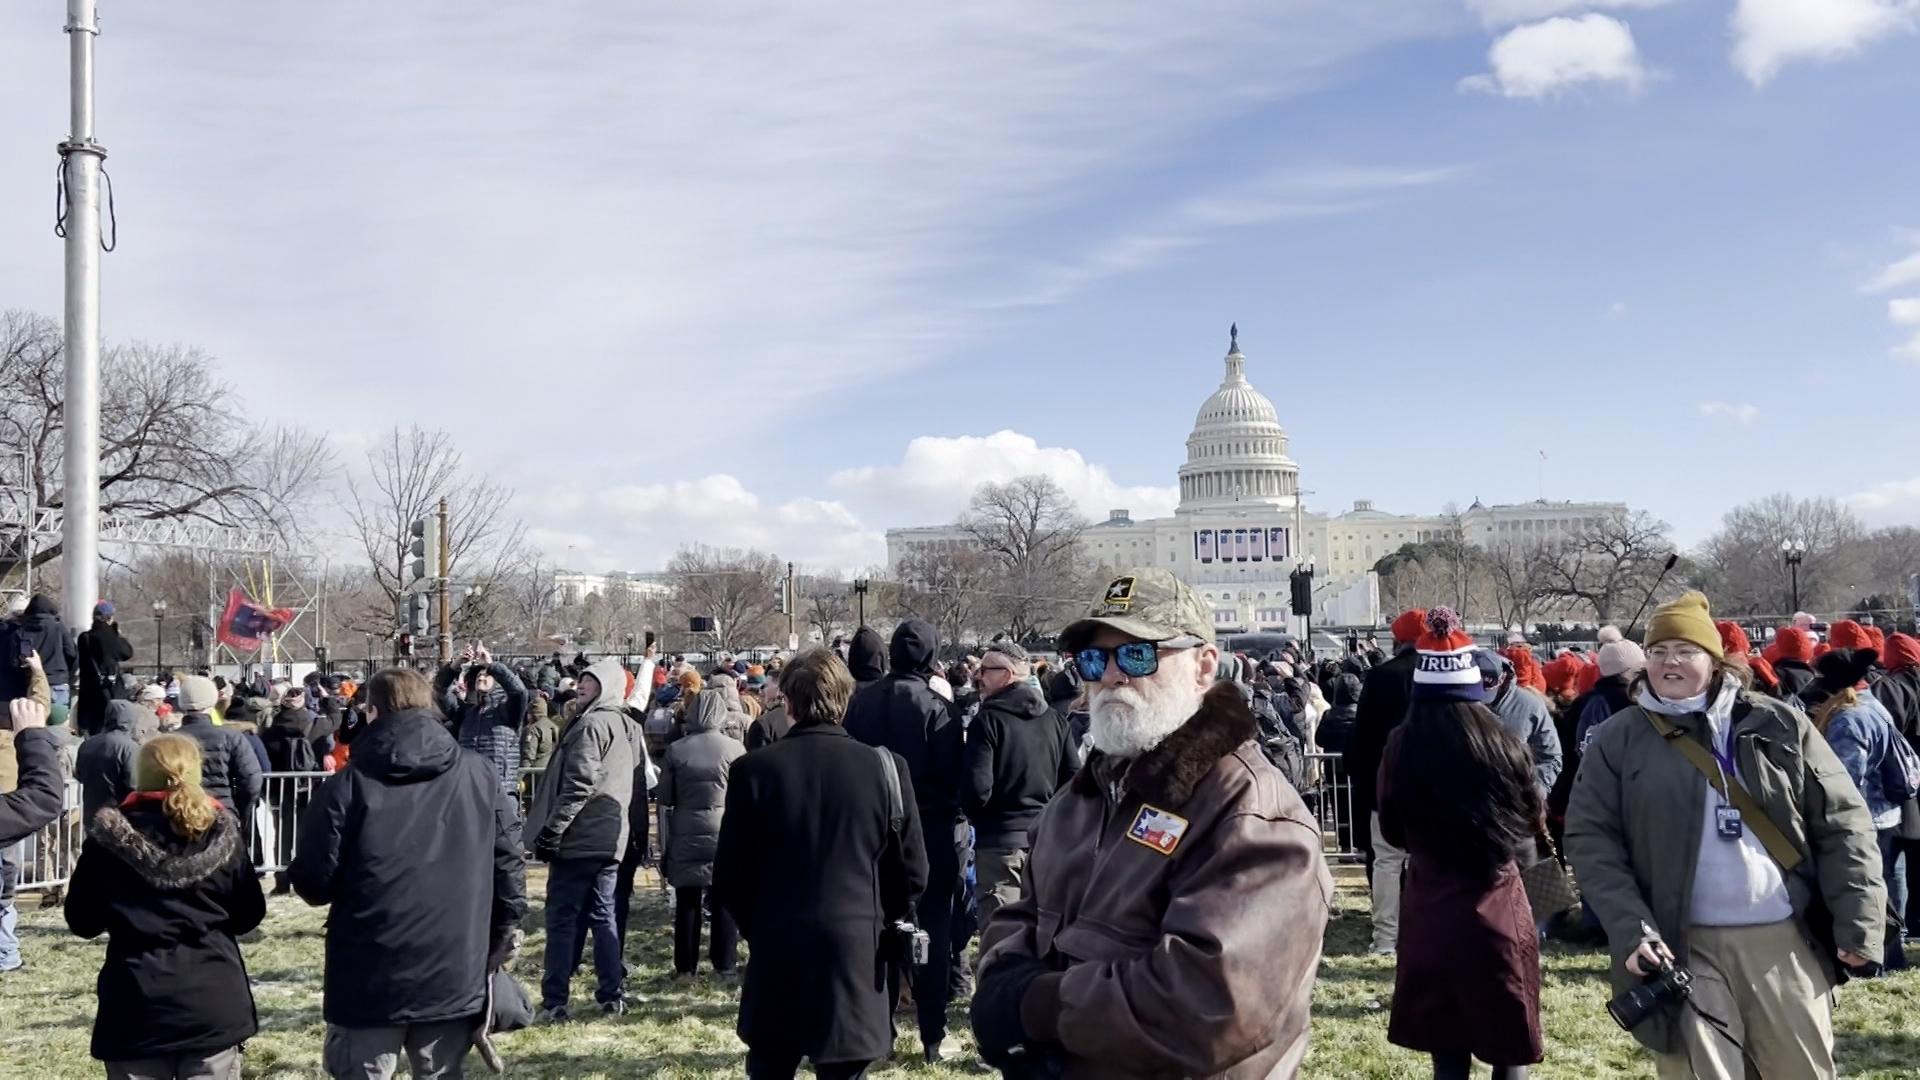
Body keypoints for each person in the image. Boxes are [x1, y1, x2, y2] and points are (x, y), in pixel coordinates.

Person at [972, 569, 1333, 1077]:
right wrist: (1002, 982)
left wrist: (1037, 1006)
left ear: (1204, 666)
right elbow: (1021, 920)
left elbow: (1210, 1004)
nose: (1113, 676)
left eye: (1139, 654)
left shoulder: (1251, 811)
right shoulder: (1079, 800)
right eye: (1094, 659)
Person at [1567, 592, 1886, 1080]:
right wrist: (1631, 926)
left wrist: (1859, 921)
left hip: (1783, 936)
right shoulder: (1618, 738)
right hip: (1679, 943)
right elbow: (1592, 840)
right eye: (1657, 652)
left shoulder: (1777, 722)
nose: (1669, 662)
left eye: (1684, 651)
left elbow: (1843, 823)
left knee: (1800, 1070)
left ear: (1714, 661)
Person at [290, 667, 527, 1080]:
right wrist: (506, 925)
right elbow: (508, 860)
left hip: (370, 967)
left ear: (373, 712)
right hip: (454, 960)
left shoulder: (347, 785)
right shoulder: (479, 773)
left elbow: (313, 882)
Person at [714, 647, 929, 1080]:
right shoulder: (885, 768)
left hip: (779, 941)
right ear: (844, 701)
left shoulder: (754, 771)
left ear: (788, 702)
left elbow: (731, 876)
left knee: (771, 1064)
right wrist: (877, 921)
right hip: (854, 947)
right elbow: (911, 872)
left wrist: (763, 926)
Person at [1381, 610, 1544, 1080]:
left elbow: (1392, 828)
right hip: (1499, 908)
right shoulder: (1506, 745)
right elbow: (1528, 821)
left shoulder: (1400, 746)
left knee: (1447, 1054)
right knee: (1509, 1047)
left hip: (1430, 909)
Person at [65, 735, 265, 1080]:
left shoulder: (107, 839)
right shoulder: (222, 835)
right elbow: (249, 914)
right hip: (211, 995)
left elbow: (82, 920)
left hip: (137, 997)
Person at [843, 618, 965, 1062]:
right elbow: (955, 780)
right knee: (933, 931)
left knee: (879, 932)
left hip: (872, 835)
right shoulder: (939, 709)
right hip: (929, 833)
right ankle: (933, 1035)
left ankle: (883, 1032)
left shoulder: (861, 705)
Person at [527, 656, 638, 1021]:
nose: (580, 687)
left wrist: (552, 831)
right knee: (603, 915)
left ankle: (555, 1001)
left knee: (561, 919)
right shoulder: (627, 725)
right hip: (611, 836)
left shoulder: (591, 725)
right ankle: (611, 993)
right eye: (581, 681)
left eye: (589, 683)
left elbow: (579, 786)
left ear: (605, 687)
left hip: (580, 838)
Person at [1799, 647, 1909, 970]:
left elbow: (1845, 781)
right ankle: (1892, 953)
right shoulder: (1873, 705)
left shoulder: (1849, 718)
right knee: (1889, 885)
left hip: (1866, 818)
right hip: (1887, 812)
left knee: (1870, 889)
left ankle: (1880, 957)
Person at [962, 642, 1076, 929]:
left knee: (1001, 938)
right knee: (1041, 936)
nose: (978, 677)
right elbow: (1073, 780)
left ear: (1007, 674)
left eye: (985, 670)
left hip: (1000, 846)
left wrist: (979, 819)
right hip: (1046, 843)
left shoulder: (987, 721)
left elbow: (977, 789)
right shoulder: (1054, 720)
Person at [1347, 607, 1427, 955]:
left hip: (1387, 783)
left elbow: (1362, 736)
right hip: (1431, 786)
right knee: (1430, 861)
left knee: (1386, 861)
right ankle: (1428, 932)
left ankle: (1385, 940)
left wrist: (1364, 781)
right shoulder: (1440, 673)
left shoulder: (1381, 676)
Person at [659, 689, 746, 976]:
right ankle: (725, 963)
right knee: (724, 900)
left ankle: (686, 966)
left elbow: (666, 797)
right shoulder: (735, 749)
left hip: (686, 829)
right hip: (725, 830)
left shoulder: (677, 750)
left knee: (687, 900)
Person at [435, 647, 529, 798]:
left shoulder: (508, 711)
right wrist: (454, 666)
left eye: (486, 675)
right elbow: (440, 691)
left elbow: (519, 692)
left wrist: (491, 666)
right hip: (468, 789)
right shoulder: (466, 712)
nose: (481, 677)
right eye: (478, 675)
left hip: (500, 792)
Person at [173, 676, 262, 829]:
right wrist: (239, 809)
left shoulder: (169, 740)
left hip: (181, 814)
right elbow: (251, 780)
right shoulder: (232, 737)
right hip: (222, 811)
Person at [1473, 649, 1563, 798]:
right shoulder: (1459, 704)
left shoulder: (1531, 706)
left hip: (1516, 803)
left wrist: (1534, 794)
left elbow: (1550, 756)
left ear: (1503, 678)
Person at [76, 700, 145, 822]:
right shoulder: (130, 747)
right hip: (118, 815)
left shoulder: (87, 744)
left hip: (91, 812)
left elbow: (79, 775)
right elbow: (134, 783)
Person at [6, 595, 78, 707]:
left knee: (34, 721)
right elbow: (71, 653)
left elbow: (15, 662)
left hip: (33, 684)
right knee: (58, 721)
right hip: (57, 682)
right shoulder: (59, 627)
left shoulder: (20, 631)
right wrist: (65, 674)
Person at [76, 601, 134, 735]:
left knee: (94, 730)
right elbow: (127, 653)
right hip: (111, 690)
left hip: (90, 692)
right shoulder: (112, 637)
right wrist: (116, 633)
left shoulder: (84, 638)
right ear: (109, 618)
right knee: (112, 725)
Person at [744, 678, 792, 750]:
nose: (761, 691)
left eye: (765, 686)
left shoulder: (763, 723)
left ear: (779, 689)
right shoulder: (803, 718)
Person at [521, 694, 559, 772]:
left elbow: (528, 755)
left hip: (534, 773)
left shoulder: (533, 729)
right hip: (551, 771)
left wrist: (520, 777)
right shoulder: (554, 727)